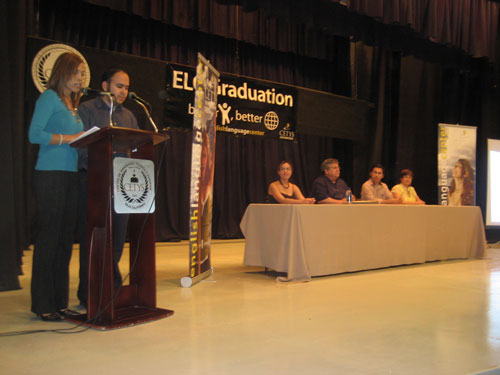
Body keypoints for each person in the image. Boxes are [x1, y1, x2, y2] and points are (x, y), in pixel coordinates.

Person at [28, 52, 86, 321]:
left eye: (83, 74)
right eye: (77, 73)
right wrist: (70, 138)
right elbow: (34, 134)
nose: (81, 79)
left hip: (71, 176)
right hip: (50, 175)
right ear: (64, 72)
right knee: (49, 239)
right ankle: (43, 304)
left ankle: (60, 302)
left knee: (64, 241)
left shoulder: (72, 104)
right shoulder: (49, 98)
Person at [77, 68, 139, 308]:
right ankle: (90, 291)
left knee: (116, 240)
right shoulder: (87, 110)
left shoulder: (130, 116)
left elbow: (135, 147)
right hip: (93, 182)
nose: (123, 91)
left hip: (122, 185)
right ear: (105, 86)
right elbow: (80, 145)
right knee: (94, 239)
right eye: (119, 86)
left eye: (126, 87)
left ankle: (110, 288)